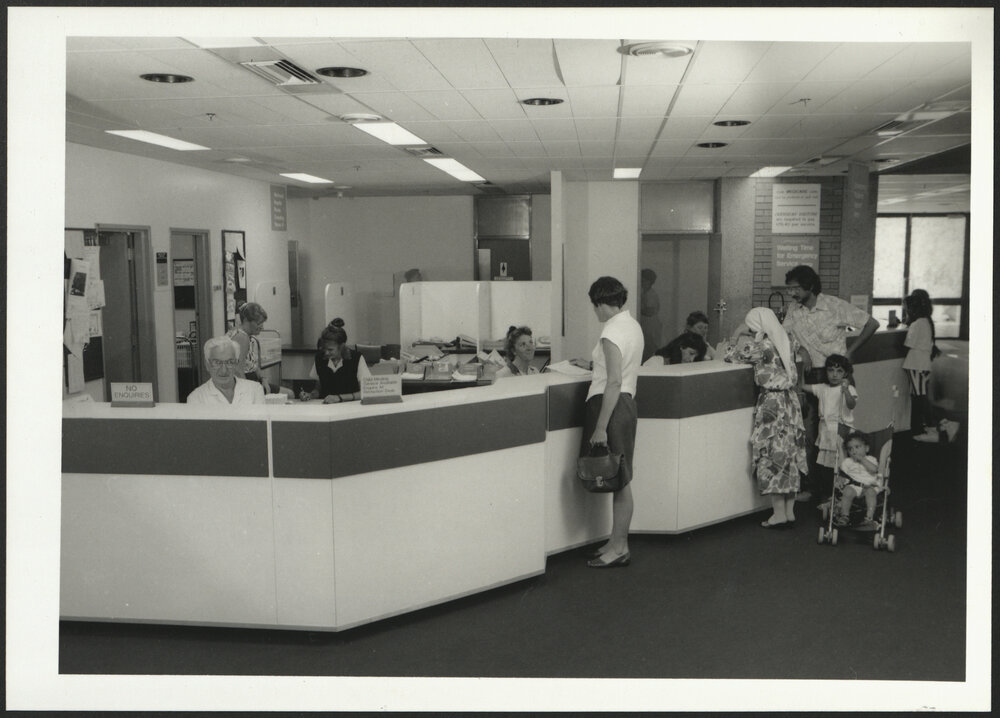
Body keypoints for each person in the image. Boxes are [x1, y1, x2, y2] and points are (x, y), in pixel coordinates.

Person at [782, 265, 879, 501]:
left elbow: (872, 323)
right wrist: (801, 349)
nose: (792, 294)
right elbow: (785, 335)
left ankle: (845, 486)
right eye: (790, 289)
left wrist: (851, 352)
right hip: (811, 377)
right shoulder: (793, 310)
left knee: (838, 434)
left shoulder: (834, 306)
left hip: (835, 375)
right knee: (811, 434)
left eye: (796, 288)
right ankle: (816, 489)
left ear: (810, 287)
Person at [570, 276, 643, 568]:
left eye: (594, 305)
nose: (595, 312)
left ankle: (620, 547)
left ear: (601, 303)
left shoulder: (611, 331)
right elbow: (619, 369)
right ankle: (615, 541)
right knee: (618, 477)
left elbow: (613, 381)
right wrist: (590, 365)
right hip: (625, 404)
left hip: (610, 406)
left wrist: (600, 427)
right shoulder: (632, 325)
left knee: (619, 480)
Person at [724, 308, 808, 528]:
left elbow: (730, 355)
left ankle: (778, 513)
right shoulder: (787, 340)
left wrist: (737, 333)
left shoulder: (761, 347)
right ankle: (789, 511)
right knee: (788, 454)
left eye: (752, 325)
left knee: (772, 455)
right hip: (790, 403)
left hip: (772, 403)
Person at [802, 354, 858, 501]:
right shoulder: (823, 388)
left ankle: (841, 496)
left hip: (841, 430)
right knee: (826, 468)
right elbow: (802, 386)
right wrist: (799, 368)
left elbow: (852, 404)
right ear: (826, 372)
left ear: (845, 373)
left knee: (841, 466)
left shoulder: (849, 388)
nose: (834, 374)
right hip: (825, 432)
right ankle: (829, 497)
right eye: (831, 370)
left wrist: (845, 390)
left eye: (839, 371)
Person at [298, 318, 371, 404]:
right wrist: (310, 395)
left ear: (342, 347)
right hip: (327, 408)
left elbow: (366, 393)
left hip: (351, 407)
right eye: (324, 349)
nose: (326, 353)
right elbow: (318, 389)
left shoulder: (356, 358)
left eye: (330, 349)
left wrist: (339, 398)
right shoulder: (320, 358)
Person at [901, 289, 939, 436]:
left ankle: (921, 427)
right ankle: (927, 425)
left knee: (918, 398)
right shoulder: (926, 321)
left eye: (906, 309)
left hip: (915, 365)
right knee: (921, 396)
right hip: (923, 364)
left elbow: (907, 345)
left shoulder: (917, 324)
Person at [187, 336, 265, 405]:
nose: (224, 370)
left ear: (236, 364)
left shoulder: (255, 390)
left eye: (229, 362)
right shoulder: (196, 398)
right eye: (217, 362)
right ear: (207, 365)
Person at [836, 431, 883, 529]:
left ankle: (868, 518)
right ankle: (845, 516)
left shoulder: (871, 459)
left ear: (866, 448)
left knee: (870, 493)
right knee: (847, 491)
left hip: (870, 486)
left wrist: (862, 460)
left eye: (857, 447)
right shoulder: (848, 462)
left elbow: (874, 469)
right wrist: (840, 479)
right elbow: (842, 473)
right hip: (854, 486)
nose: (854, 451)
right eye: (850, 449)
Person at [227, 301, 268, 390]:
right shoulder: (242, 337)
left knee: (289, 393)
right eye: (258, 323)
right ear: (246, 320)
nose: (262, 327)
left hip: (252, 378)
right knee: (290, 394)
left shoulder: (241, 333)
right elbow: (237, 371)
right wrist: (247, 393)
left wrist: (263, 378)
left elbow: (250, 363)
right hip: (246, 381)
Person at [639, 268, 662, 362]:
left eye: (643, 280)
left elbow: (650, 312)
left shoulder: (651, 294)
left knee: (649, 353)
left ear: (649, 282)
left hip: (651, 328)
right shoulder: (643, 293)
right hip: (646, 328)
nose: (641, 282)